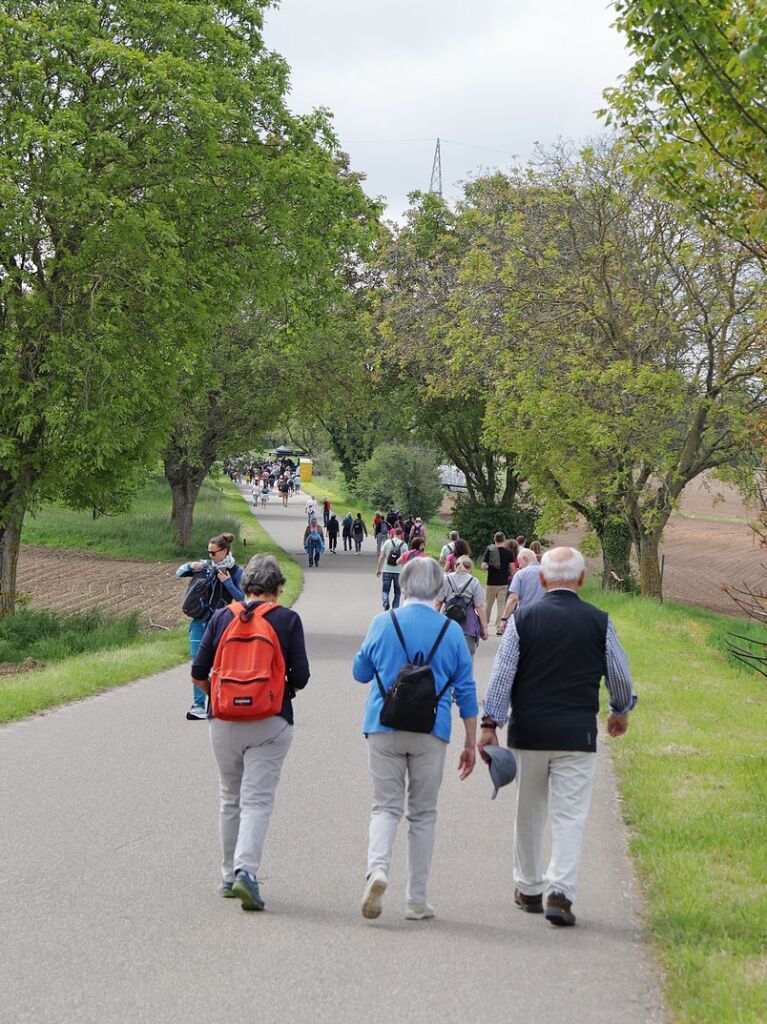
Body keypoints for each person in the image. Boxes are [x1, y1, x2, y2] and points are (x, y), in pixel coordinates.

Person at [479, 547, 636, 927]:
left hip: (529, 732)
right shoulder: (600, 622)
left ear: (543, 580)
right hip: (577, 734)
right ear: (581, 580)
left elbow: (503, 676)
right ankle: (560, 892)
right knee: (570, 816)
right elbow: (619, 673)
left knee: (529, 812)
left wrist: (489, 724)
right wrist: (619, 709)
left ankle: (529, 888)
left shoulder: (522, 620)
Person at [353, 557, 478, 921]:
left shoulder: (383, 623)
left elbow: (360, 672)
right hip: (431, 730)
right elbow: (466, 692)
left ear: (403, 586)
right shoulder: (451, 631)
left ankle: (378, 869)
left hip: (383, 725)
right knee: (423, 814)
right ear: (439, 589)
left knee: (385, 806)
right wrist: (470, 742)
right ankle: (416, 899)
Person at [191, 555, 309, 910]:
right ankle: (246, 872)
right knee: (257, 800)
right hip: (270, 720)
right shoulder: (287, 620)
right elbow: (301, 678)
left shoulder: (221, 617)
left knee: (230, 796)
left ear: (245, 586)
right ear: (277, 589)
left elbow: (199, 670)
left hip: (224, 720)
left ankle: (228, 876)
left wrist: (220, 698)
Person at [176, 533, 244, 720]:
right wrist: (191, 566)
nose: (211, 556)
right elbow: (179, 572)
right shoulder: (206, 567)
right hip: (198, 622)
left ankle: (222, 701)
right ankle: (198, 705)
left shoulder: (236, 571)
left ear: (225, 551)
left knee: (220, 665)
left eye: (214, 553)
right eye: (209, 553)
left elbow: (243, 599)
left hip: (221, 624)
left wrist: (227, 582)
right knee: (198, 662)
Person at [436, 555, 488, 656]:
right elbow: (479, 606)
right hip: (467, 623)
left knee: (446, 654)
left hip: (447, 620)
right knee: (466, 656)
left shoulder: (445, 579)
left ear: (455, 566)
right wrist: (484, 628)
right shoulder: (474, 582)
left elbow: (437, 603)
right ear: (470, 568)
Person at [498, 548, 545, 631]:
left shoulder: (520, 574)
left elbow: (513, 598)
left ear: (525, 559)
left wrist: (504, 618)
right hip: (545, 616)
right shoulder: (548, 573)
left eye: (519, 562)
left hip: (526, 616)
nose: (519, 566)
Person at [480, 532, 515, 635]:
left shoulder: (490, 551)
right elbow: (512, 568)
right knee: (501, 605)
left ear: (494, 540)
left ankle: (484, 626)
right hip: (503, 582)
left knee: (488, 605)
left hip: (491, 582)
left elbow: (483, 566)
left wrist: (488, 568)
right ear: (504, 540)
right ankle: (499, 627)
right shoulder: (508, 553)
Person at [376, 526, 407, 610]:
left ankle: (386, 602)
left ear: (393, 533)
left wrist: (378, 569)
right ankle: (395, 609)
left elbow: (382, 557)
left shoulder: (387, 542)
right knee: (397, 592)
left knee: (385, 590)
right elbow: (405, 560)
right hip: (399, 572)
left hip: (387, 570)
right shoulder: (404, 545)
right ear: (402, 534)